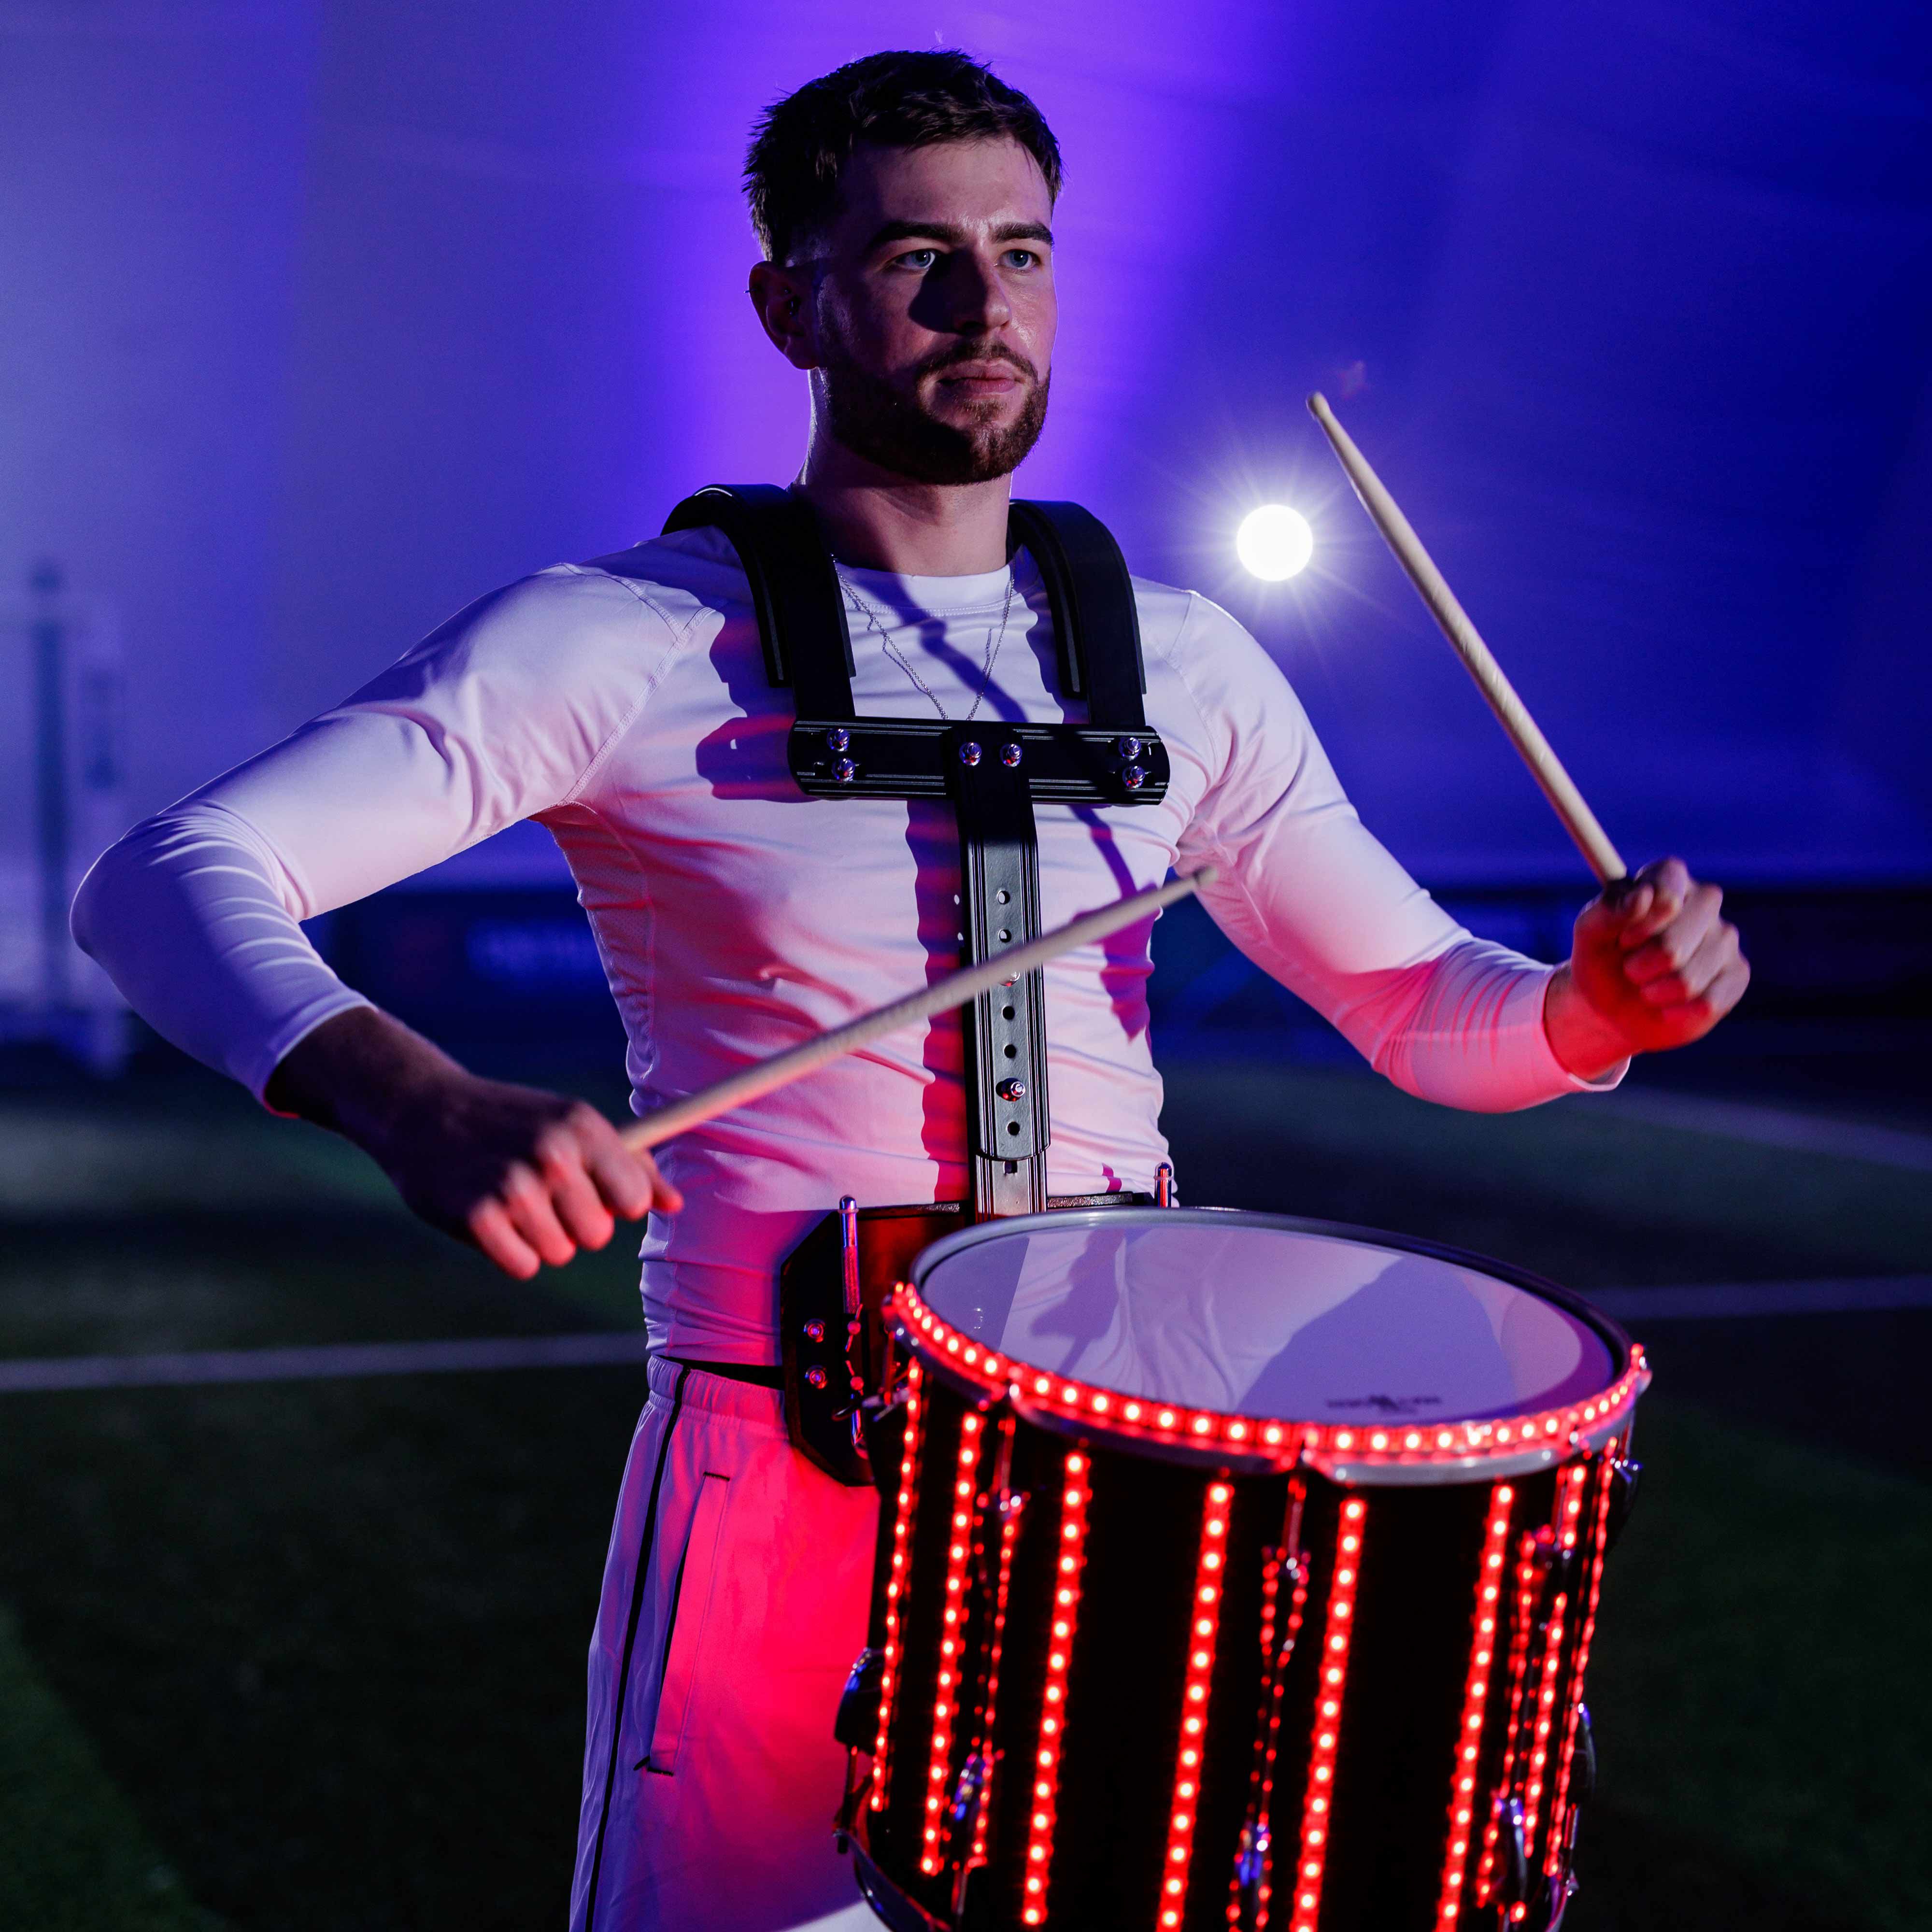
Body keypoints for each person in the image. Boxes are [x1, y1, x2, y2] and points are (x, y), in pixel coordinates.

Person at [71, 49, 1748, 1932]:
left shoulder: (1188, 664)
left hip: (1130, 1483)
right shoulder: (629, 636)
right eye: (916, 259)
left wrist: (1597, 1010)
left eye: (1022, 254)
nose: (984, 306)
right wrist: (414, 1094)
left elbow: (1423, 1010)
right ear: (787, 304)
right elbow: (162, 879)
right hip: (782, 1463)